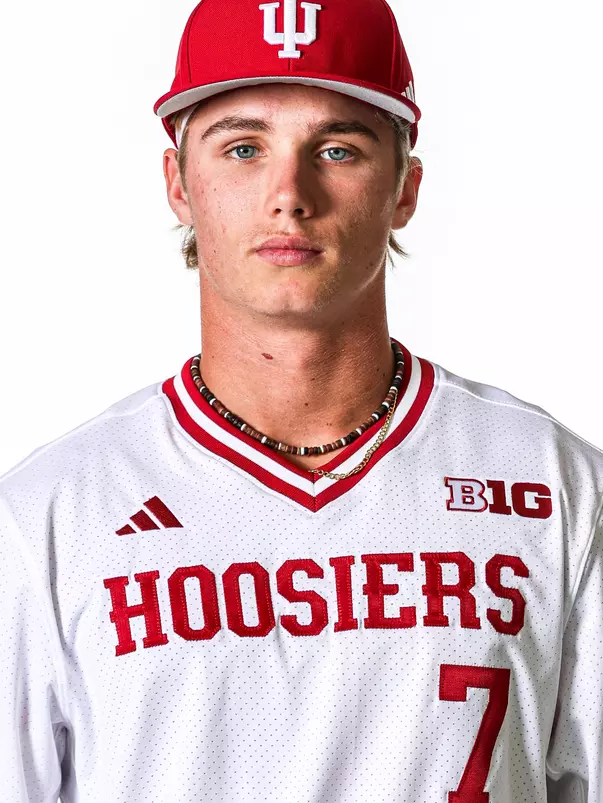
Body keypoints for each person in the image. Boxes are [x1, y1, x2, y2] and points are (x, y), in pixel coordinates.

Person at [2, 0, 602, 800]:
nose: (289, 193)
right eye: (243, 148)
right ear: (178, 183)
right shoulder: (48, 516)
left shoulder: (556, 485)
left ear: (404, 188)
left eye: (337, 149)